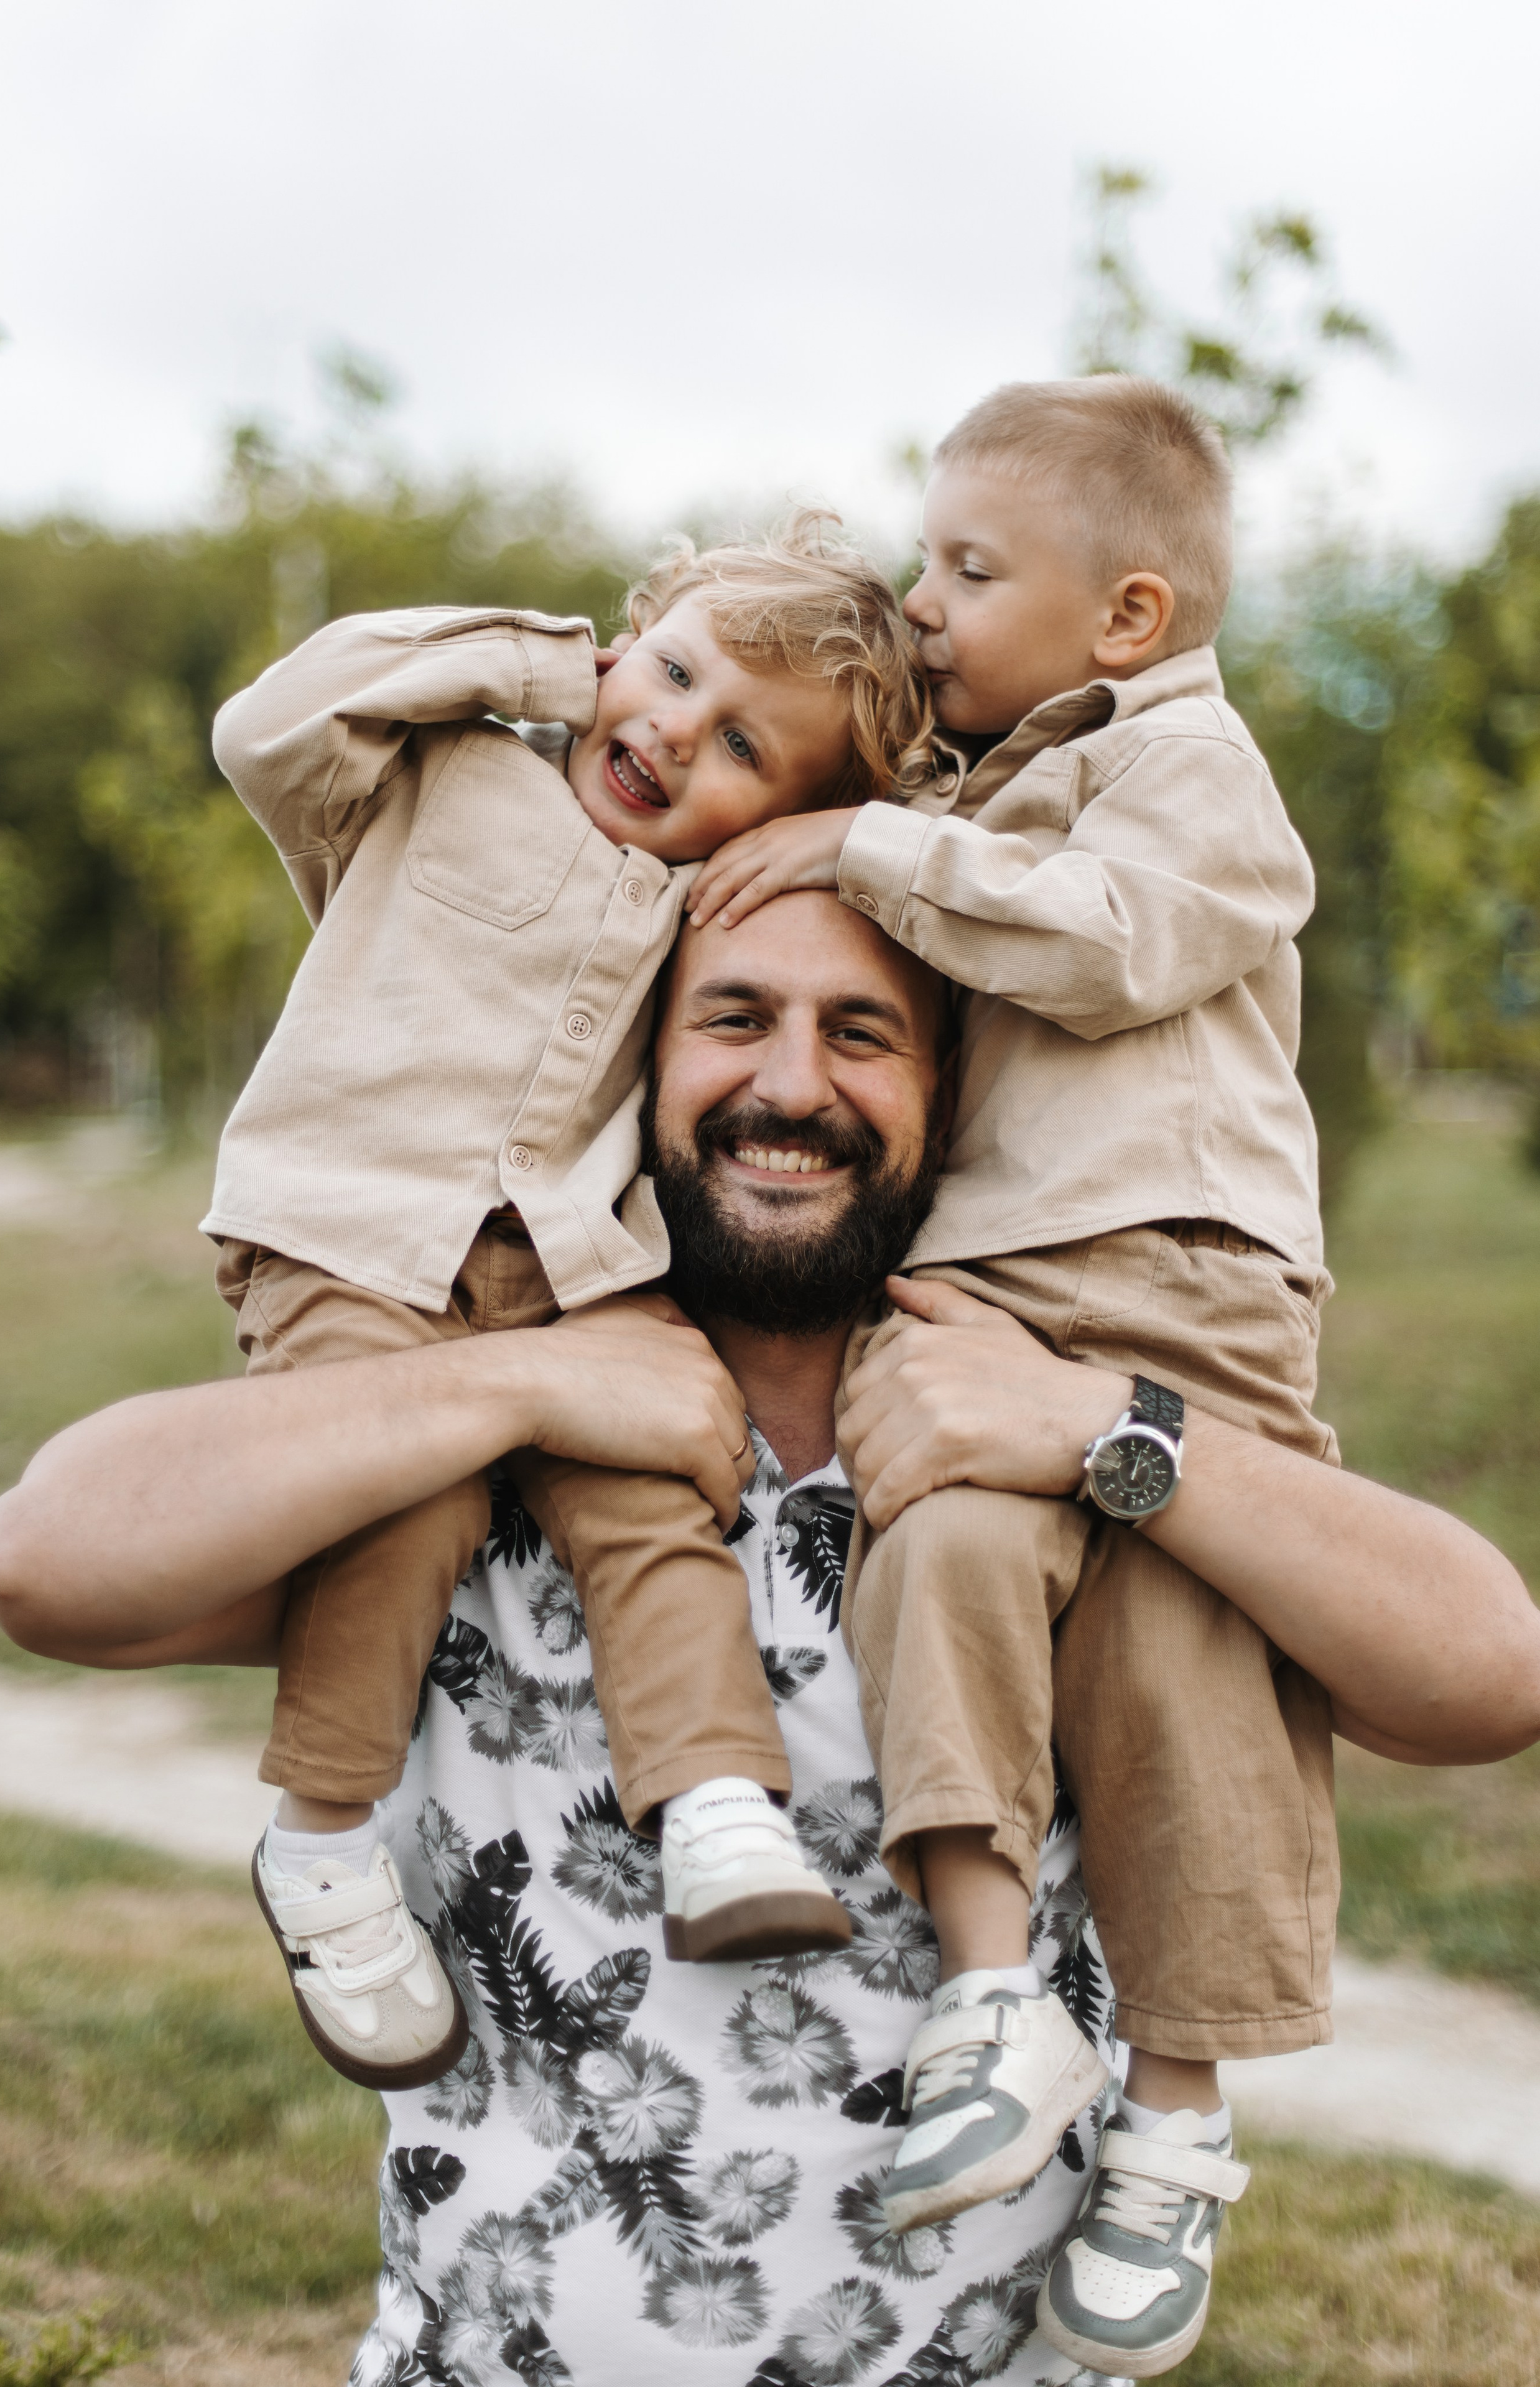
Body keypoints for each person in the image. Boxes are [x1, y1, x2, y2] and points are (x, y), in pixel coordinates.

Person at [0, 896, 1540, 2387]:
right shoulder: (480, 1475)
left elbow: (1484, 1677)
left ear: (951, 1090)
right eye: (733, 1017)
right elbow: (45, 1565)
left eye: (862, 1032)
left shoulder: (1038, 1467)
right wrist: (512, 1387)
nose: (791, 1084)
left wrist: (1099, 1423)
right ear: (640, 1065)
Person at [679, 377, 1386, 2372]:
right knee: (942, 1561)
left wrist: (882, 838)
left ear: (1131, 619)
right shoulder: (983, 780)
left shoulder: (1190, 771)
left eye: (968, 570)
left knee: (1189, 1659)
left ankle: (1178, 2111)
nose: (925, 604)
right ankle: (1001, 1997)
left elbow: (1113, 942)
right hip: (1004, 1301)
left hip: (1179, 1283)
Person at [197, 513, 933, 2095]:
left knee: (652, 1483)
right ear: (620, 638)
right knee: (402, 1495)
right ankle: (323, 1839)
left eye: (738, 741)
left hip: (559, 1277)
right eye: (668, 669)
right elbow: (261, 725)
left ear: (784, 819)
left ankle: (720, 1808)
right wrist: (546, 657)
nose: (670, 729)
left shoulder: (706, 912)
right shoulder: (437, 773)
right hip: (352, 1236)